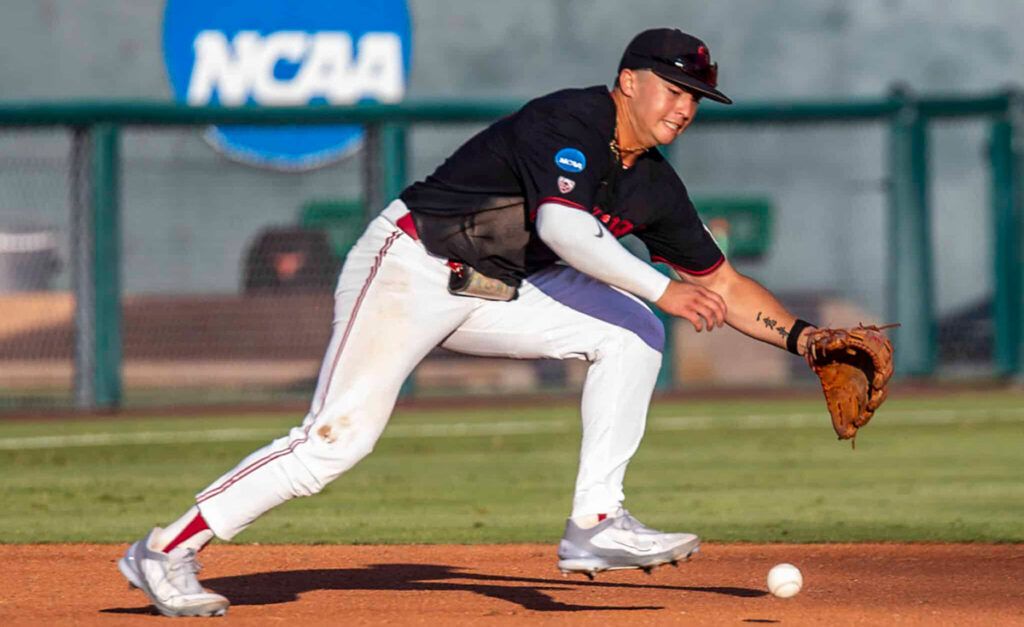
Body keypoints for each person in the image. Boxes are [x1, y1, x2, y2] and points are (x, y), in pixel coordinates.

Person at [118, 28, 823, 617]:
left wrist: (807, 340)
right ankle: (165, 549)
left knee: (631, 331)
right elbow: (563, 227)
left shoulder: (654, 184)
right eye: (673, 89)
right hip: (411, 266)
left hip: (501, 287)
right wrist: (661, 289)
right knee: (333, 444)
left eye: (695, 97)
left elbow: (722, 283)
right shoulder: (568, 119)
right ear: (628, 82)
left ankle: (596, 522)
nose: (685, 107)